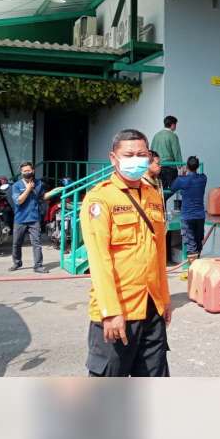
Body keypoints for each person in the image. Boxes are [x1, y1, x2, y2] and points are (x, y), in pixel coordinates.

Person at [79, 129, 171, 377]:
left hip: (152, 308)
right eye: (128, 154)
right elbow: (99, 261)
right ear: (113, 158)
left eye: (142, 154)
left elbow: (159, 252)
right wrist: (111, 312)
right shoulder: (100, 198)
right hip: (118, 312)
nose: (136, 159)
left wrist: (165, 298)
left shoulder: (153, 195)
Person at [9, 161, 48, 273]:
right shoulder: (16, 186)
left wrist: (56, 192)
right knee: (16, 243)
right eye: (25, 171)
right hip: (20, 218)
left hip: (34, 218)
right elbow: (19, 201)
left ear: (33, 171)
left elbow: (43, 197)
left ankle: (38, 266)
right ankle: (17, 263)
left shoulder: (39, 183)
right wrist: (28, 189)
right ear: (21, 173)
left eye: (29, 170)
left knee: (37, 243)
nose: (27, 172)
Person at [170, 156, 208, 258]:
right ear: (197, 166)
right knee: (198, 242)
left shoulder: (182, 180)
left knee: (191, 246)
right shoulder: (203, 178)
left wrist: (181, 174)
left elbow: (172, 187)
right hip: (200, 216)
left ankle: (193, 269)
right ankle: (197, 266)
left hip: (187, 217)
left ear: (187, 166)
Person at [150, 116, 183, 200]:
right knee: (175, 186)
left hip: (158, 166)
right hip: (170, 167)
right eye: (175, 124)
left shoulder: (156, 135)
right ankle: (161, 200)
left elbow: (151, 150)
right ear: (172, 125)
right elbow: (176, 151)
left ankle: (161, 205)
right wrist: (179, 165)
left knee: (161, 188)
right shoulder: (172, 136)